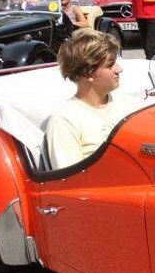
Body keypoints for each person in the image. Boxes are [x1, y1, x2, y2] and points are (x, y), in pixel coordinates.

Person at [45, 28, 130, 169]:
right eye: (110, 65)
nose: (119, 68)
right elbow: (71, 181)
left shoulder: (127, 104)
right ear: (88, 73)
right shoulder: (64, 119)